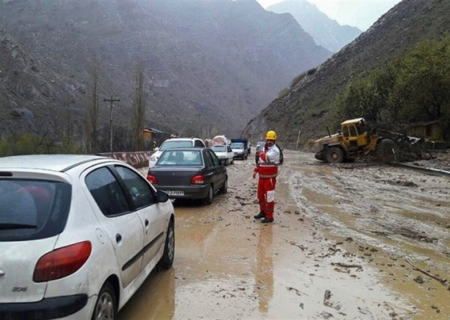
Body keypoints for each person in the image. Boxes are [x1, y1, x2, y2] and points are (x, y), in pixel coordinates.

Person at [253, 130, 280, 223]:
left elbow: (266, 158)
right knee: (260, 196)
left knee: (269, 197)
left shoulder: (275, 150)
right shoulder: (264, 148)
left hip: (270, 178)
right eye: (268, 140)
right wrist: (255, 170)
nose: (269, 142)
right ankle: (263, 211)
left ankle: (269, 216)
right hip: (262, 177)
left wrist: (260, 153)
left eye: (271, 140)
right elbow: (260, 162)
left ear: (274, 141)